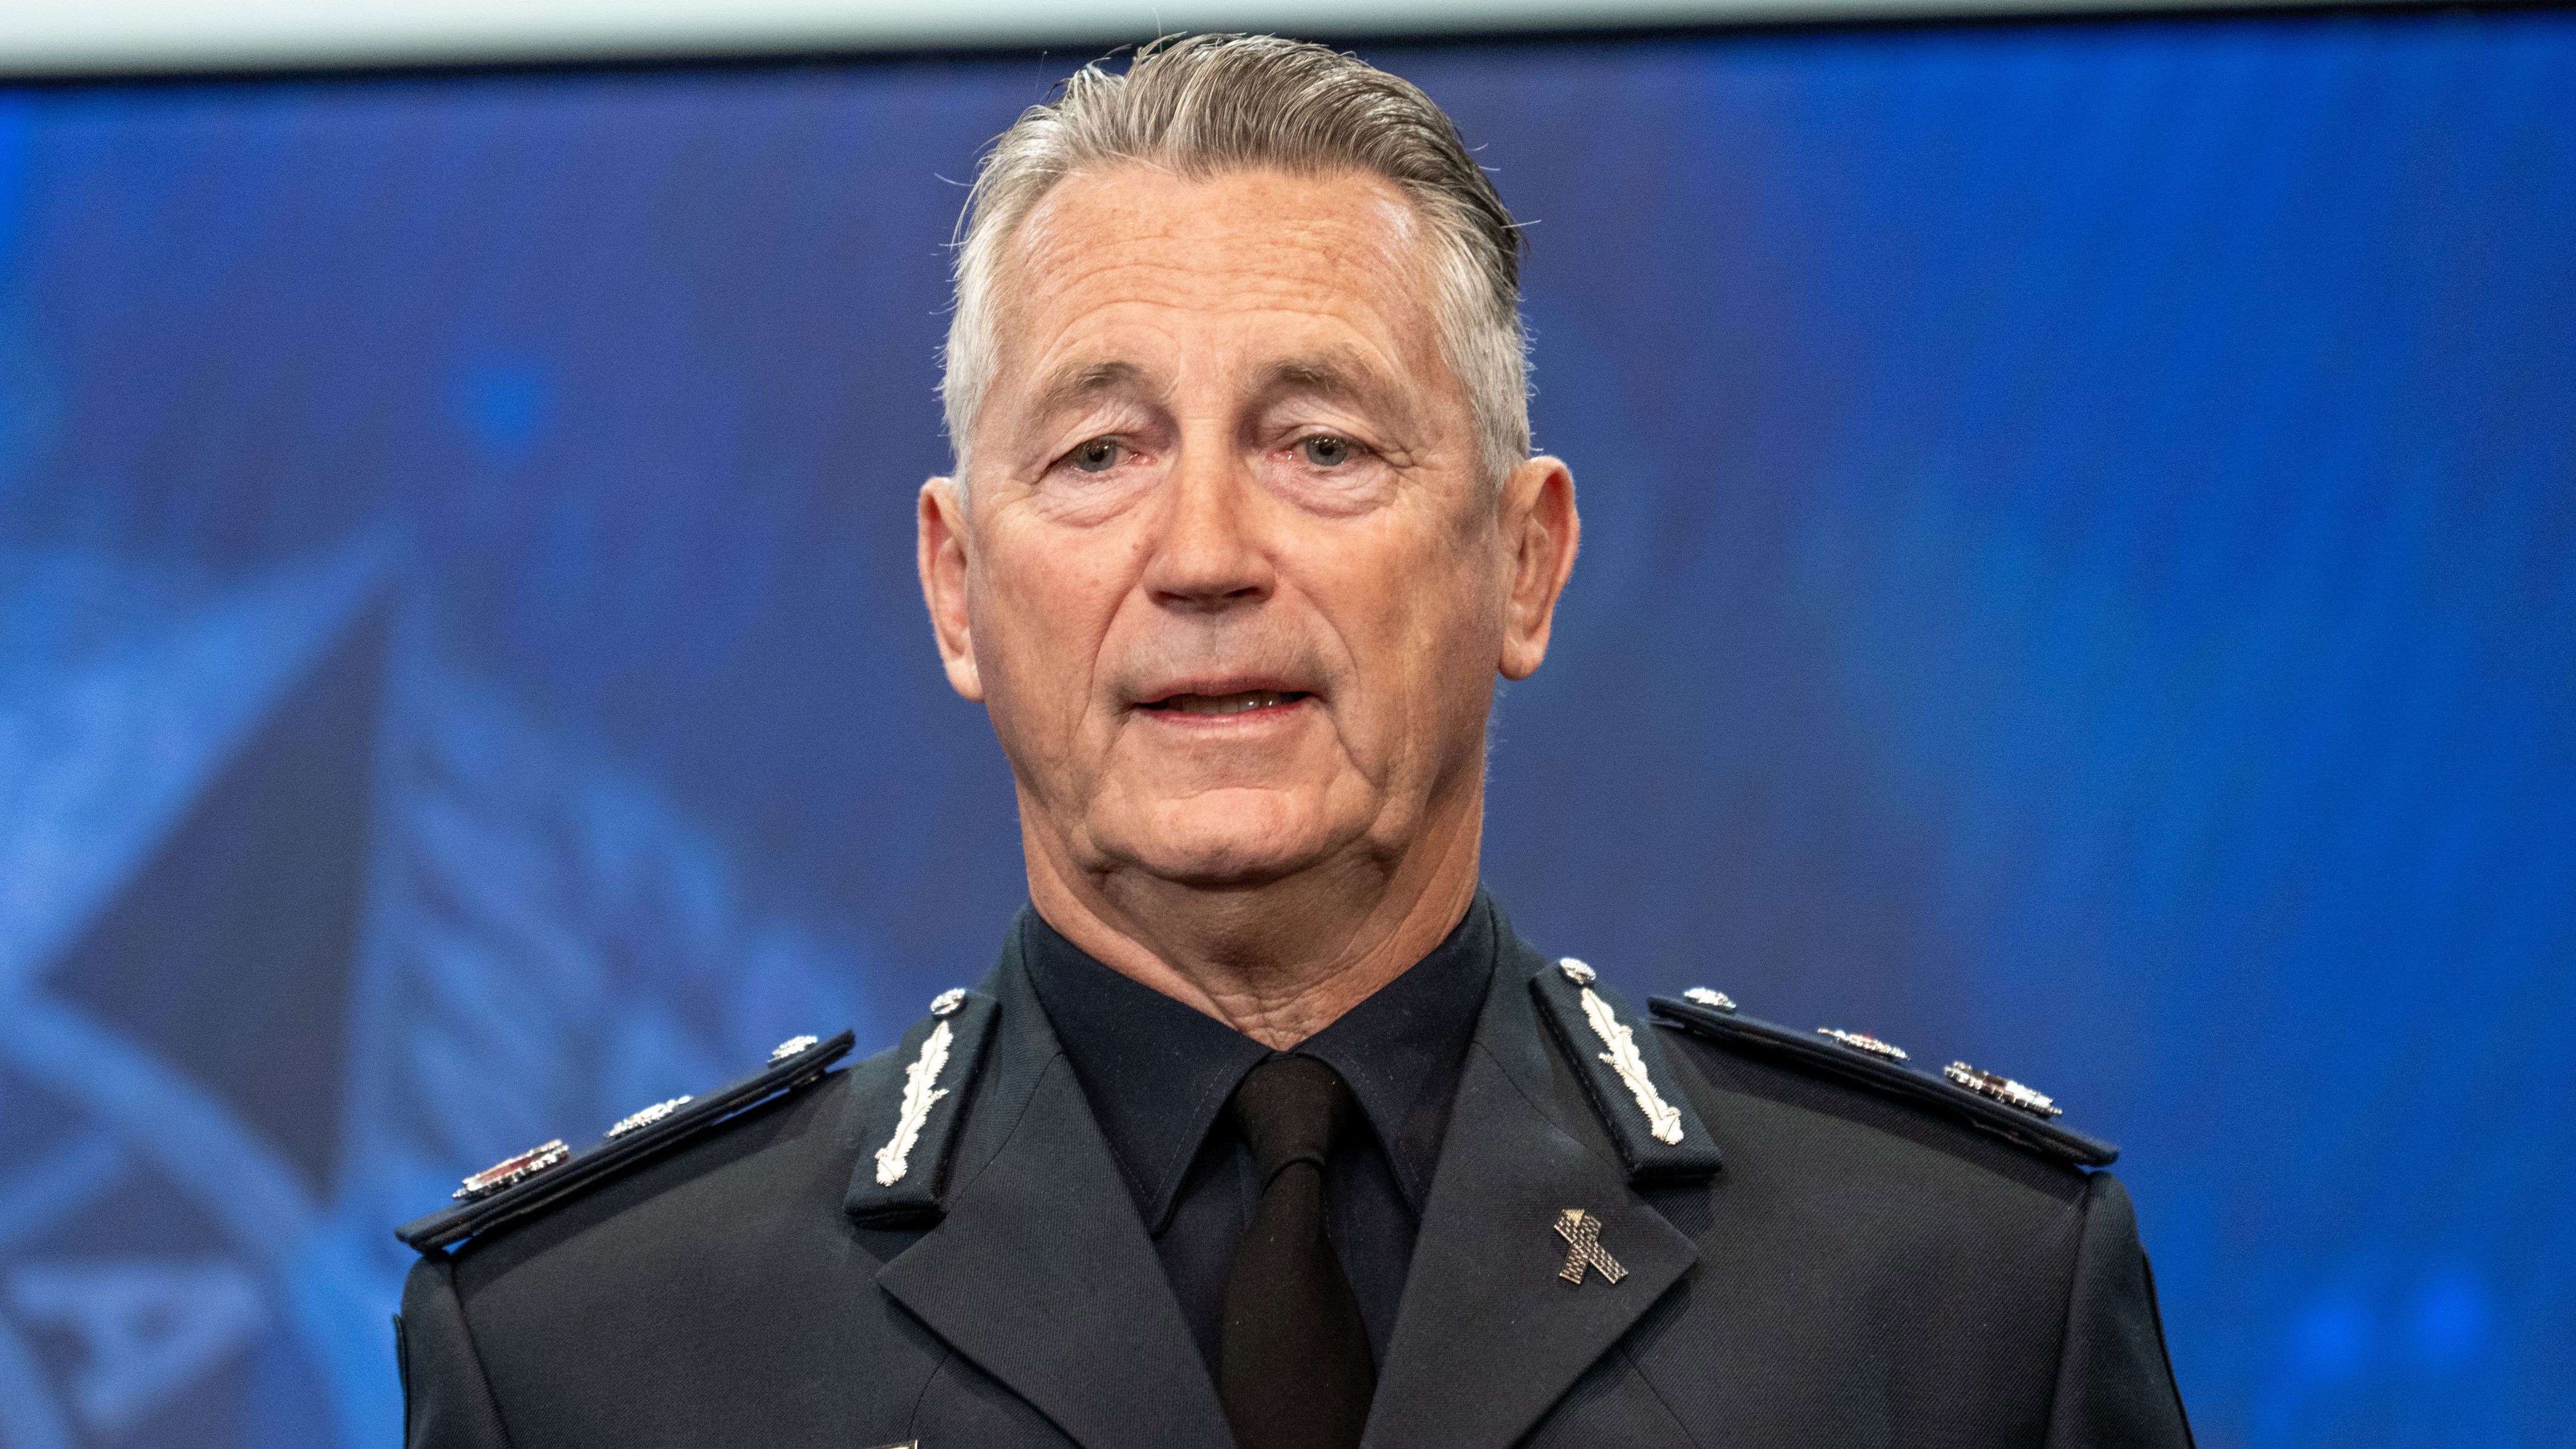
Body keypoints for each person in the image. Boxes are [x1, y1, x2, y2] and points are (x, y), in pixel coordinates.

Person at [393, 34, 2193, 1449]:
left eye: (1320, 444)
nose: (1202, 556)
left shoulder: (1954, 1302)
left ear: (1522, 560)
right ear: (956, 585)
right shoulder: (592, 1354)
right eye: (1097, 453)